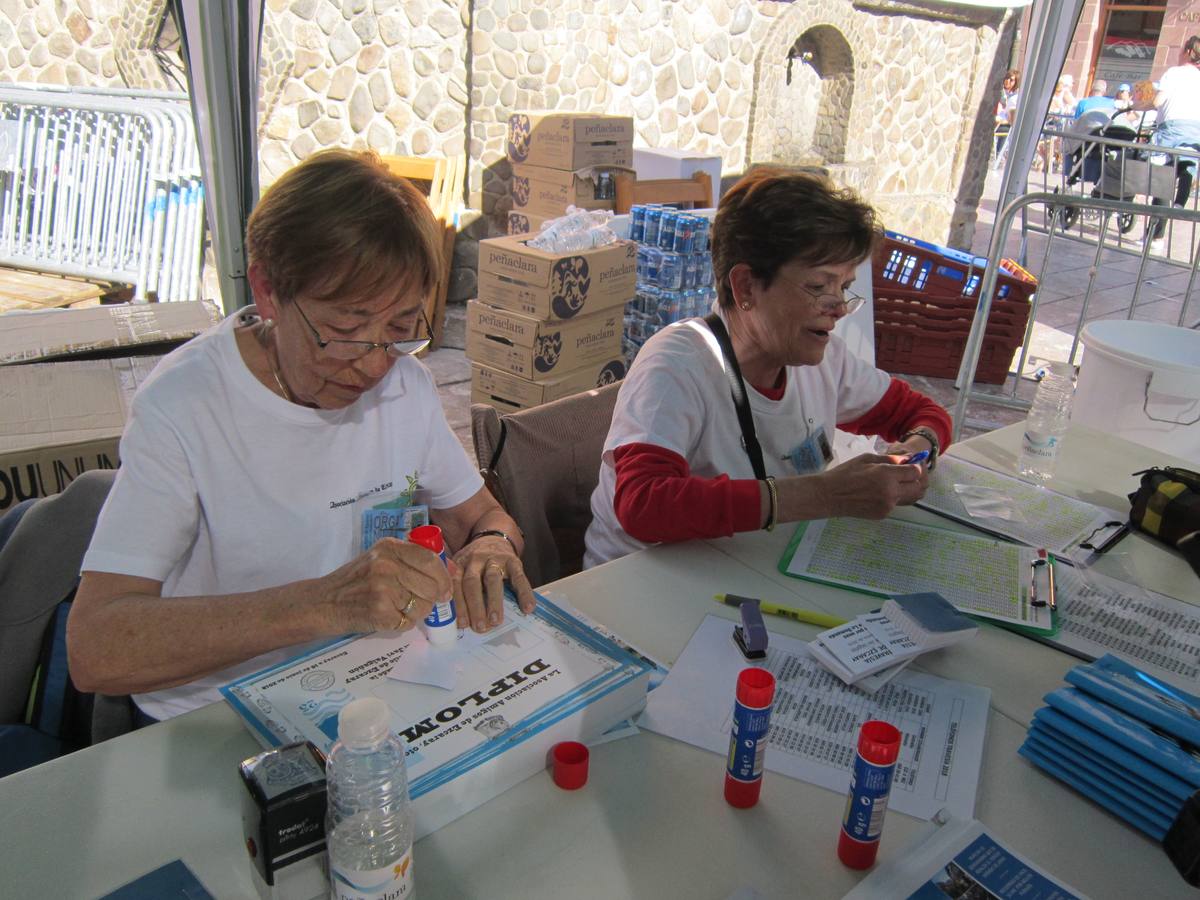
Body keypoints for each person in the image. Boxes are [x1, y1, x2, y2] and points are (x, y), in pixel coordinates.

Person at [67, 149, 535, 722]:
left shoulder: (405, 388)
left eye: (400, 329)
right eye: (343, 330)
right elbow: (95, 648)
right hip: (213, 714)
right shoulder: (185, 407)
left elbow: (481, 516)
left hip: (361, 687)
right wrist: (327, 602)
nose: (372, 364)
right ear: (268, 291)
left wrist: (492, 545)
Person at [583, 168, 952, 568]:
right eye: (818, 287)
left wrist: (916, 450)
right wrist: (825, 495)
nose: (839, 308)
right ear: (745, 287)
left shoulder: (824, 359)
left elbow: (922, 414)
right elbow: (644, 505)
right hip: (639, 588)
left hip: (745, 569)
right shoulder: (677, 363)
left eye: (843, 288)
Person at [993, 69, 1020, 165]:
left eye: (1011, 80)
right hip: (998, 120)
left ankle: (999, 156)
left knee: (1006, 128)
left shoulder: (1016, 97)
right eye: (1007, 78)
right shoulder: (1000, 92)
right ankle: (998, 156)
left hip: (1006, 122)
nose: (1007, 81)